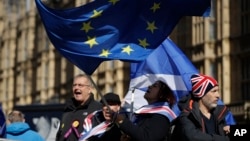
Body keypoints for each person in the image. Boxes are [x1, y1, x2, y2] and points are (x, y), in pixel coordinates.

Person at [113, 80, 178, 141]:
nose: (149, 86)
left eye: (155, 86)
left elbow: (147, 137)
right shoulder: (147, 114)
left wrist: (123, 121)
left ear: (162, 94)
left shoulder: (162, 116)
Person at [172, 74, 230, 141]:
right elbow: (193, 137)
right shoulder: (188, 115)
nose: (218, 95)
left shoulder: (219, 114)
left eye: (218, 91)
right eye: (214, 91)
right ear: (201, 94)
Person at [56, 74, 102, 141]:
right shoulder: (68, 110)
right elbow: (59, 135)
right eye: (74, 85)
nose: (76, 88)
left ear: (89, 89)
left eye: (80, 85)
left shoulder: (98, 109)